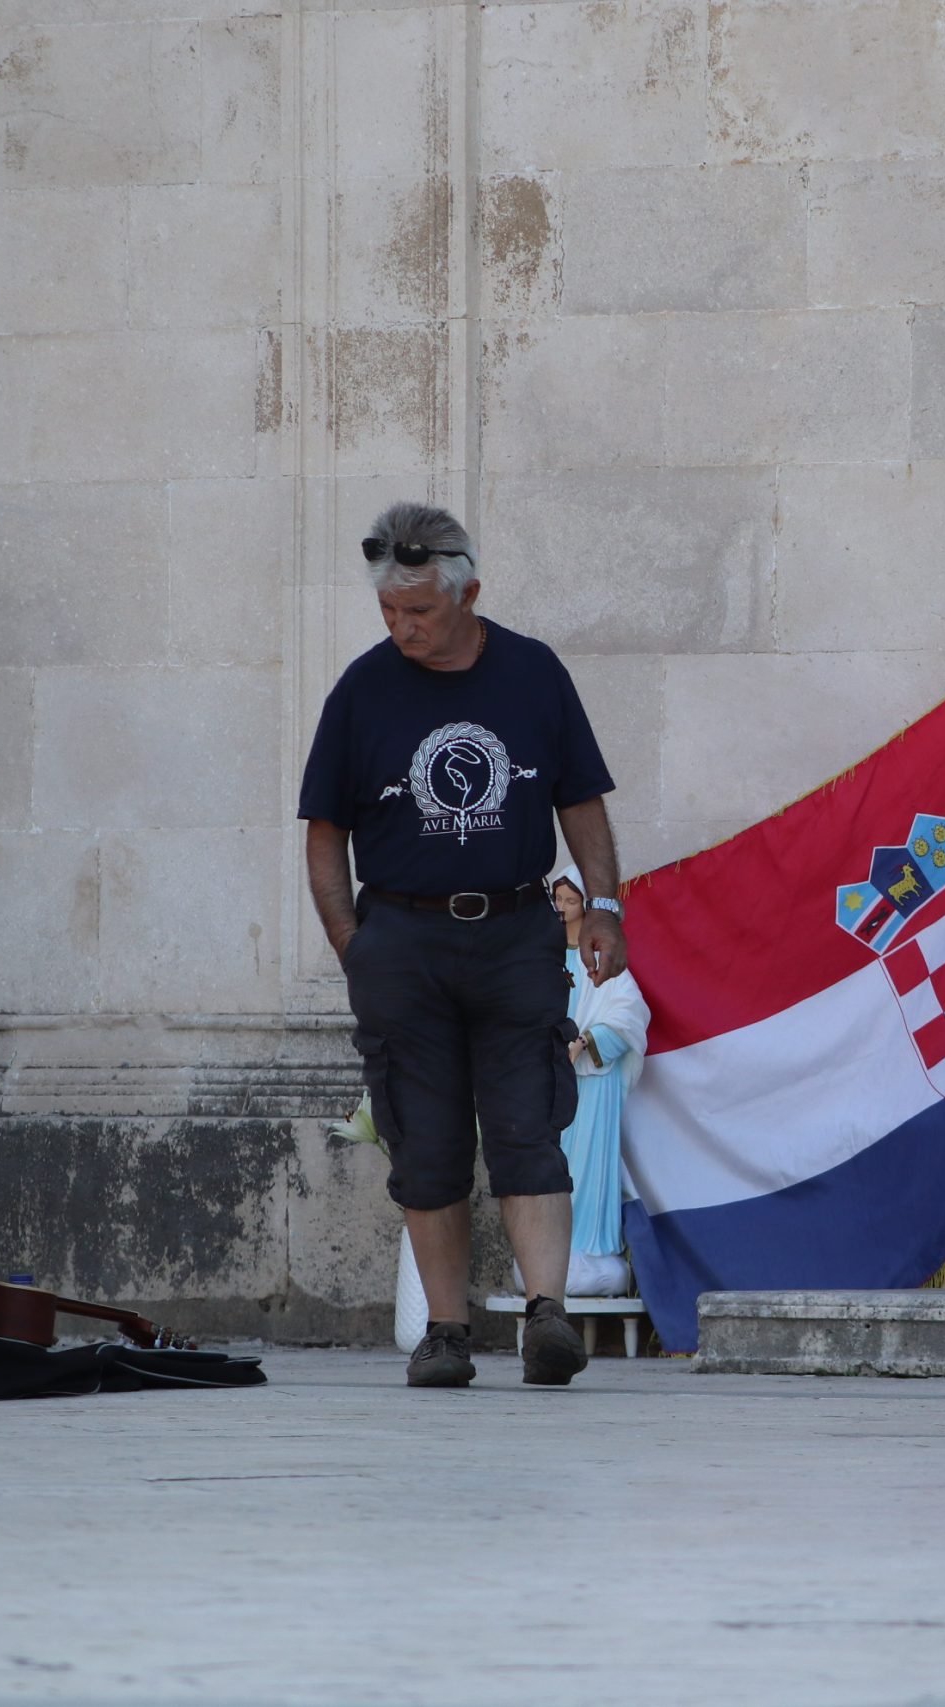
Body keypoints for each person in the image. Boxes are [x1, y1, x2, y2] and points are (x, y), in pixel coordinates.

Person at [298, 501, 631, 1389]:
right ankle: (445, 1333)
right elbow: (324, 832)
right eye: (389, 611)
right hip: (402, 937)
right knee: (425, 1141)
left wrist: (603, 905)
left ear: (468, 593)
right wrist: (353, 944)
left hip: (516, 933)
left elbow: (581, 800)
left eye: (419, 610)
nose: (402, 627)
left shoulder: (534, 673)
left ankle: (547, 1317)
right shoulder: (361, 691)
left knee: (530, 1126)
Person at [539, 864, 650, 1299]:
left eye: (571, 901)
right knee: (553, 1166)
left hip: (593, 1082)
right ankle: (550, 1252)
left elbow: (631, 1014)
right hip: (549, 1082)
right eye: (558, 900)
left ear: (586, 906)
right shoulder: (543, 958)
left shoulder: (604, 965)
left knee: (587, 1168)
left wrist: (586, 1042)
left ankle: (591, 1249)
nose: (563, 908)